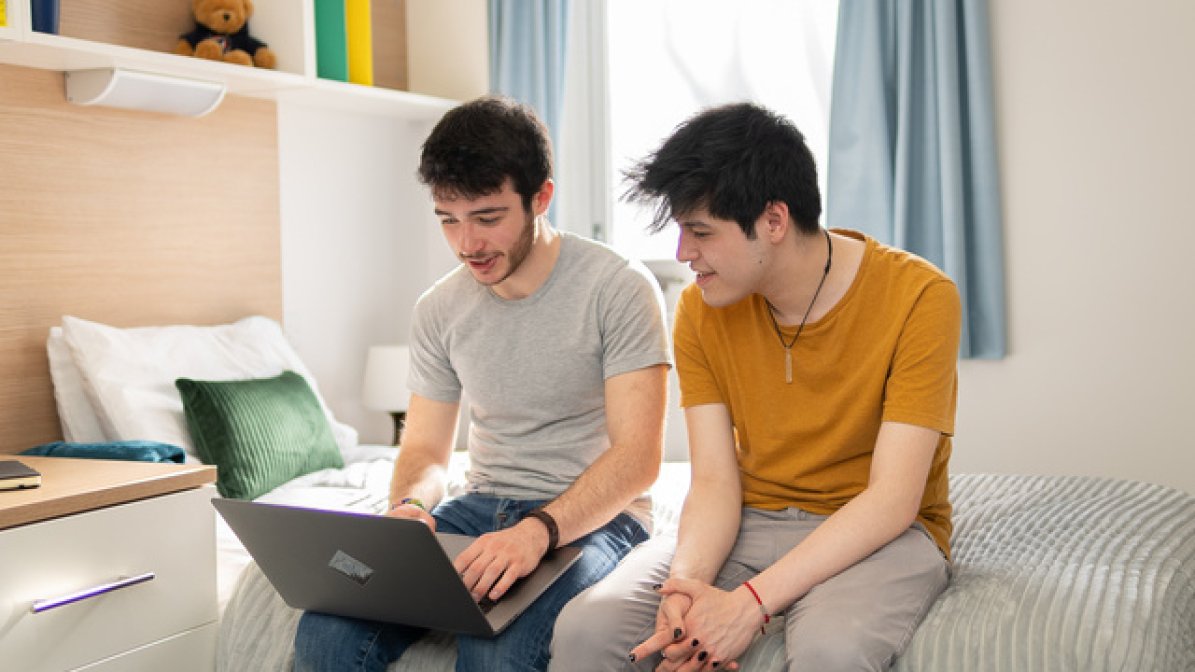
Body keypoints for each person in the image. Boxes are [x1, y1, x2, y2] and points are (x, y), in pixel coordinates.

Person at [552, 102, 961, 671]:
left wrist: (749, 605)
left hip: (879, 533)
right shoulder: (700, 307)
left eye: (700, 232)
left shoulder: (920, 296)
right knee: (585, 629)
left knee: (830, 652)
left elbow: (893, 499)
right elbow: (716, 480)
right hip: (749, 519)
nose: (682, 254)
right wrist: (685, 586)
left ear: (773, 221)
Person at [293, 96, 672, 672]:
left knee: (496, 647)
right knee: (327, 630)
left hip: (592, 518)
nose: (467, 243)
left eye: (488, 218)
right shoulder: (439, 308)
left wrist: (537, 531)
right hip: (479, 508)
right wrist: (410, 506)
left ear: (541, 197)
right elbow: (423, 449)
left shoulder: (618, 288)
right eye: (448, 219)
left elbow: (639, 458)